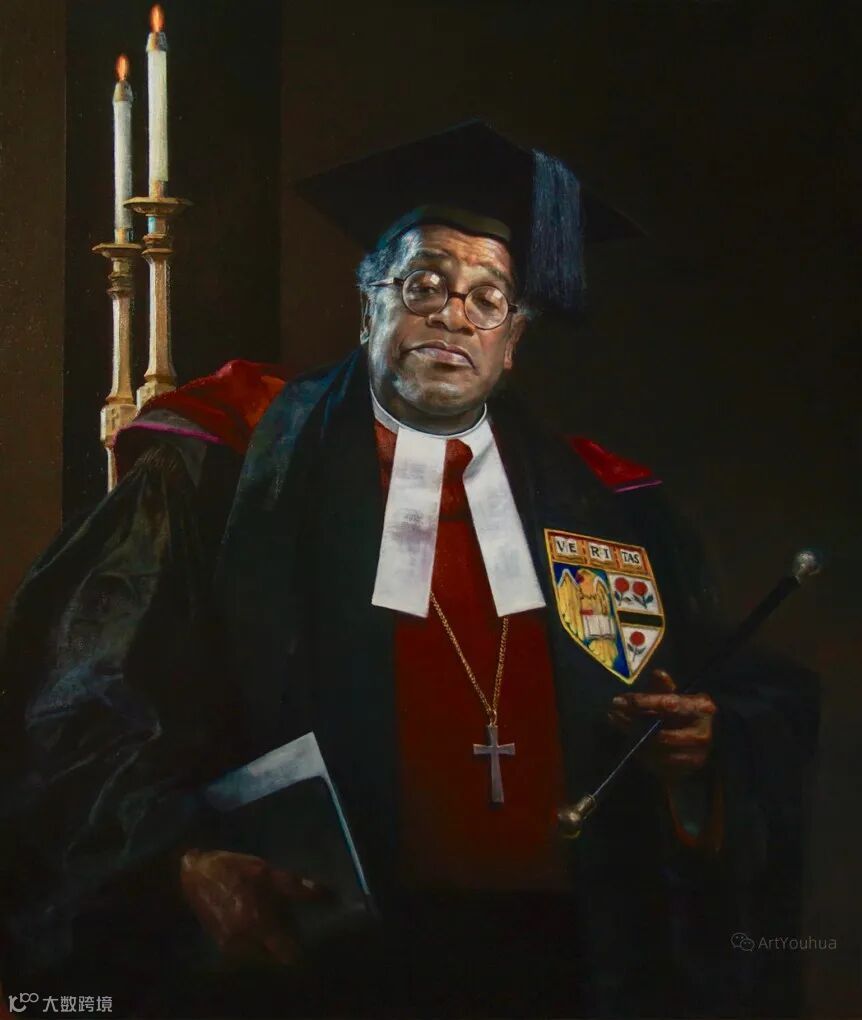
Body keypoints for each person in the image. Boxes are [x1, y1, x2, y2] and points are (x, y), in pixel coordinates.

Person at [0, 123, 818, 1018]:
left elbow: (739, 692)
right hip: (329, 959)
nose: (453, 315)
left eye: (488, 298)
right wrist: (177, 855)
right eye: (424, 284)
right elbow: (82, 691)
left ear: (513, 341)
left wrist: (704, 742)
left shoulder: (607, 503)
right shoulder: (229, 468)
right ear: (369, 309)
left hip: (559, 958)